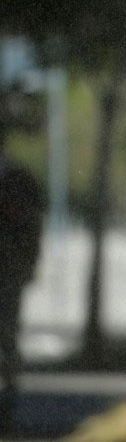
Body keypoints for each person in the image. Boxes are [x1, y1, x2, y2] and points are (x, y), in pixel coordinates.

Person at [0, 139, 46, 426]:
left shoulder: (20, 182)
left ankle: (9, 400)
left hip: (8, 272)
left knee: (7, 334)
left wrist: (28, 265)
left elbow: (31, 227)